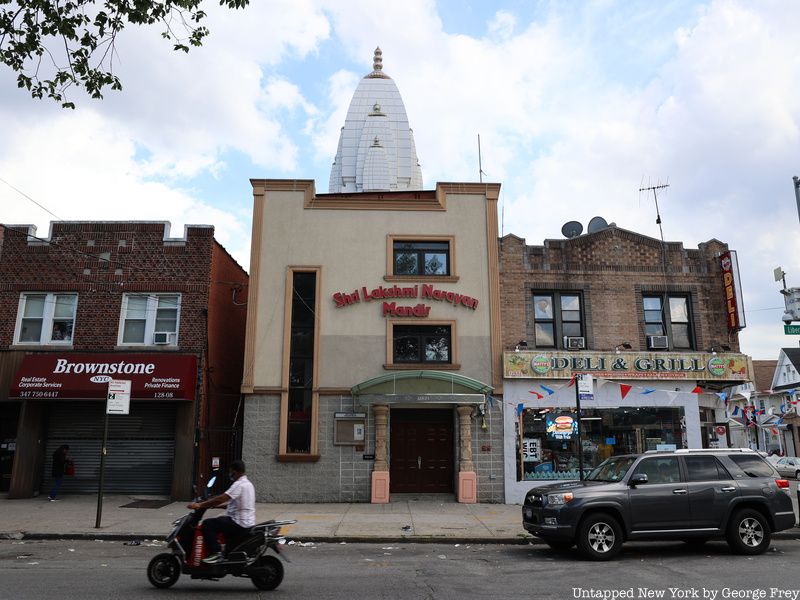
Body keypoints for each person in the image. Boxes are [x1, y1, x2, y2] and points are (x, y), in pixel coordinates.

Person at [187, 459, 255, 564]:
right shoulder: (248, 484)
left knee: (208, 524)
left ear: (235, 472)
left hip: (238, 522)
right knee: (219, 522)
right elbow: (237, 503)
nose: (230, 474)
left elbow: (222, 498)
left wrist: (200, 504)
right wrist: (216, 506)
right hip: (247, 521)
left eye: (230, 472)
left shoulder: (238, 485)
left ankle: (216, 552)